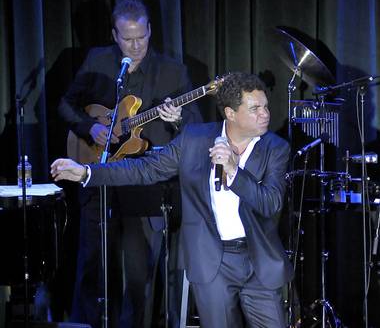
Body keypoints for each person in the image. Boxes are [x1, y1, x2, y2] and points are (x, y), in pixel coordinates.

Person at [52, 72, 294, 327]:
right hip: (212, 260)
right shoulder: (194, 139)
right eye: (255, 108)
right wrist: (87, 172)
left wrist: (234, 171)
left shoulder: (276, 148)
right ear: (230, 113)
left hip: (259, 260)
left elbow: (271, 203)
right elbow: (144, 169)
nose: (265, 113)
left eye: (265, 106)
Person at [58, 0, 202, 328]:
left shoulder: (173, 71)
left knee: (141, 272)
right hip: (98, 175)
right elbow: (65, 104)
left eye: (142, 37)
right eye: (128, 38)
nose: (136, 46)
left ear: (150, 30)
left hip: (147, 184)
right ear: (114, 34)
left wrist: (178, 119)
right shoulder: (97, 61)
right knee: (92, 260)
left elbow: (196, 128)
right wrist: (89, 126)